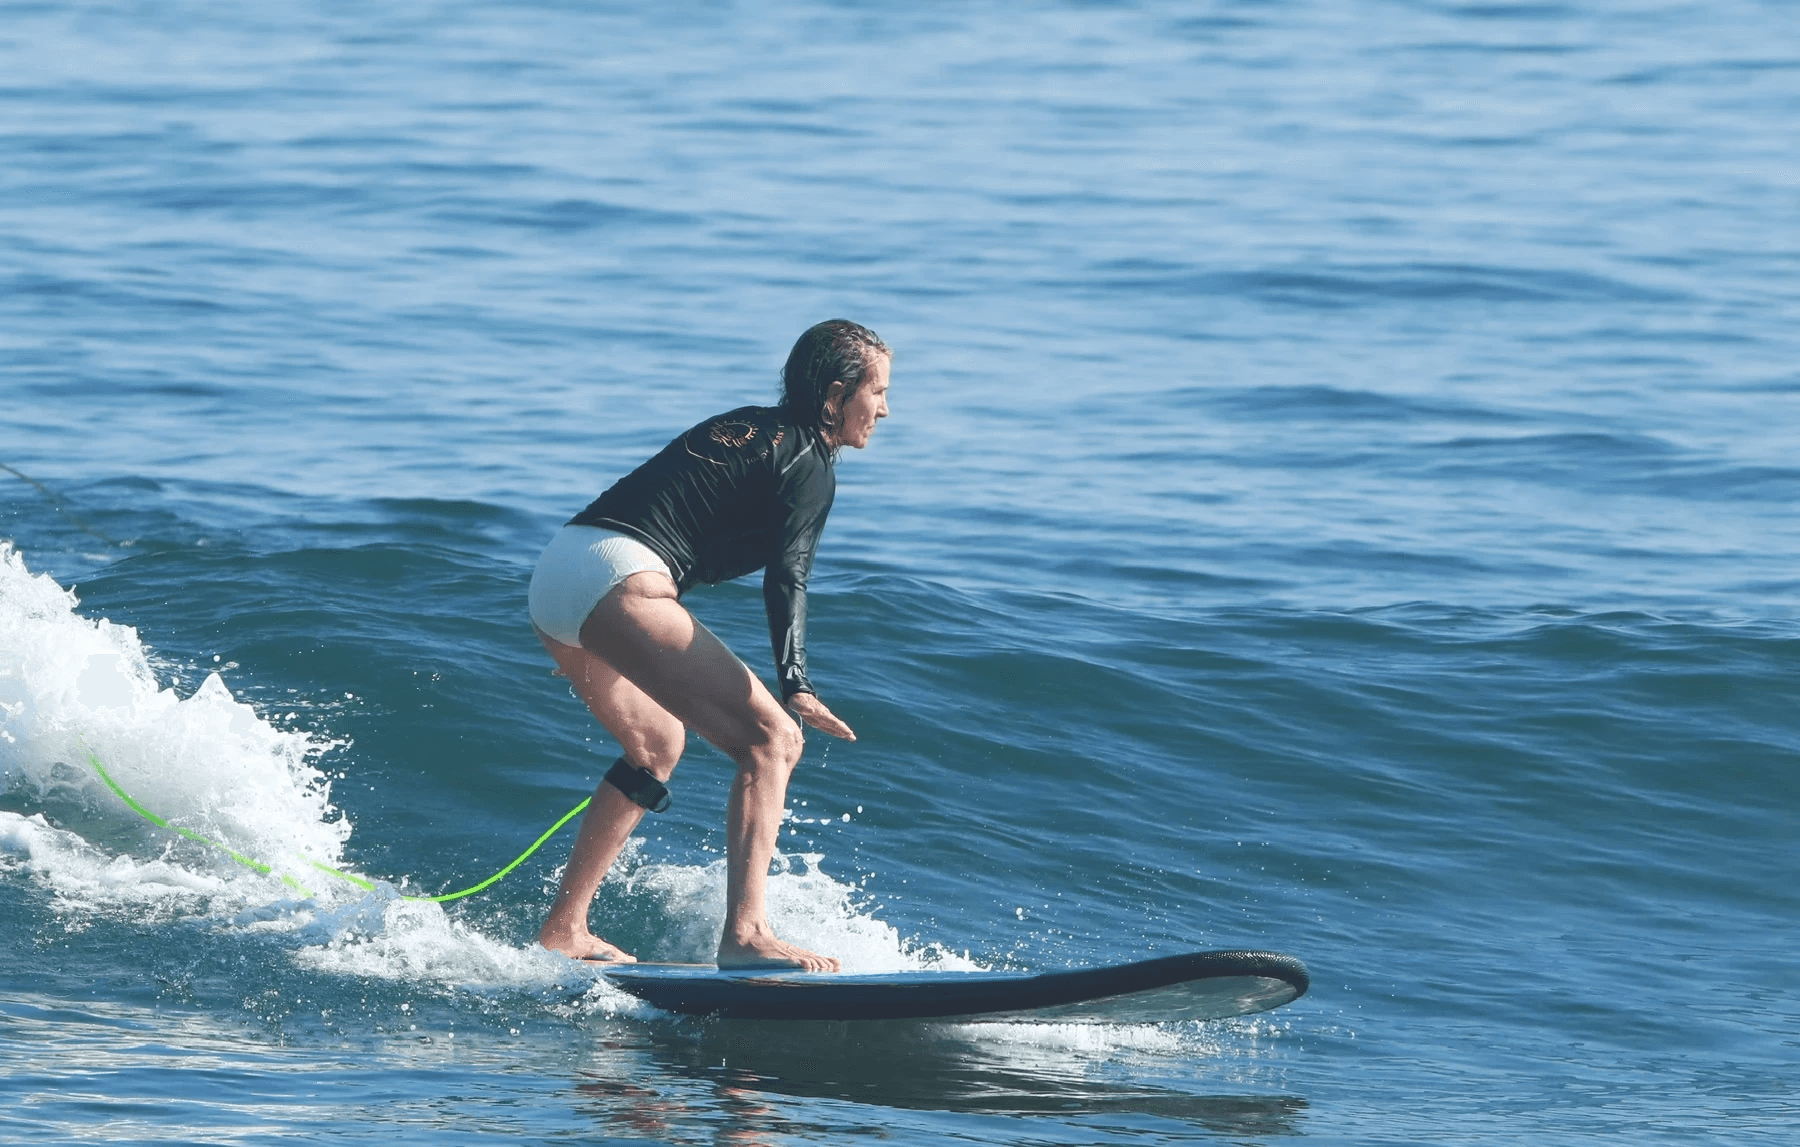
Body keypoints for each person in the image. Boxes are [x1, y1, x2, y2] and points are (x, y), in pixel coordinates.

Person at [525, 319, 892, 972]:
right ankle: (746, 933)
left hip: (563, 568)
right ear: (837, 396)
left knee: (657, 745)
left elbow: (673, 514)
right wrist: (796, 681)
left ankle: (565, 926)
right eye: (879, 392)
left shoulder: (749, 425)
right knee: (773, 740)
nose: (885, 409)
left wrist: (609, 630)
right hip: (621, 579)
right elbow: (790, 575)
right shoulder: (811, 461)